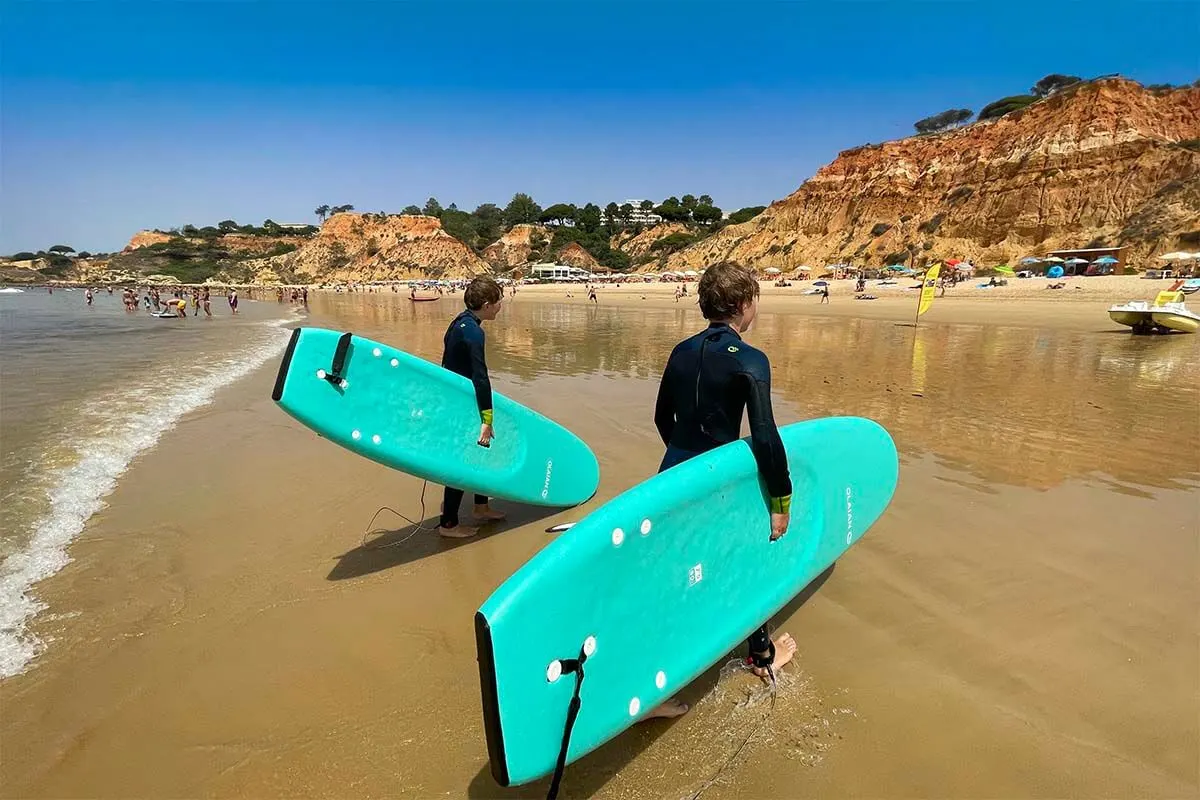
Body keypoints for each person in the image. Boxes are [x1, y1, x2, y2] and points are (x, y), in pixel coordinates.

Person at [649, 262, 798, 718]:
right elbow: (766, 436)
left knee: (674, 569)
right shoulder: (749, 360)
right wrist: (780, 500)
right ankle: (761, 657)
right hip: (717, 481)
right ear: (742, 305)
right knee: (744, 559)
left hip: (672, 474)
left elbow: (661, 418)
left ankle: (651, 679)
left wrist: (684, 463)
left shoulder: (679, 351)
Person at [438, 276, 507, 538]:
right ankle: (449, 525)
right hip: (463, 403)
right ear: (488, 305)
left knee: (482, 453)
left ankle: (480, 507)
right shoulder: (474, 332)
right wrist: (486, 419)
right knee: (463, 459)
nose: (501, 305)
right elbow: (480, 376)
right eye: (499, 300)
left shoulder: (462, 321)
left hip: (457, 398)